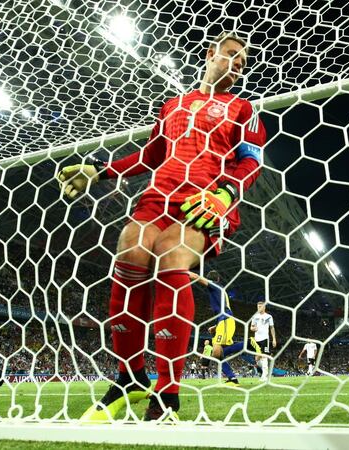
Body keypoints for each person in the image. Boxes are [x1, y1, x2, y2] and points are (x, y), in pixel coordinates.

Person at [63, 31, 266, 422]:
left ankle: (168, 393)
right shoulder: (173, 105)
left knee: (171, 256)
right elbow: (152, 154)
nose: (238, 63)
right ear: (211, 54)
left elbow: (251, 161)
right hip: (159, 195)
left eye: (243, 60)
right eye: (231, 54)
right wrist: (100, 171)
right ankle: (129, 377)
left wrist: (224, 196)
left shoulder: (243, 108)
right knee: (131, 250)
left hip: (204, 197)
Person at [189, 270, 259, 386]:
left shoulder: (215, 286)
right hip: (223, 322)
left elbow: (197, 277)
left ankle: (248, 343)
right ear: (219, 279)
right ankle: (233, 379)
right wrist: (216, 326)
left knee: (216, 353)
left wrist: (183, 272)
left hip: (226, 321)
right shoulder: (220, 290)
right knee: (219, 355)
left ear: (213, 280)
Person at [250, 301, 276, 382]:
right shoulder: (255, 316)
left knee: (264, 356)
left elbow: (272, 328)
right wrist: (253, 328)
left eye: (261, 306)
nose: (259, 307)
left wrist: (274, 339)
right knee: (257, 359)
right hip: (256, 339)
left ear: (264, 307)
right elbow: (251, 327)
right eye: (258, 306)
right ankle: (265, 372)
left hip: (265, 338)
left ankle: (265, 375)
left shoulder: (269, 316)